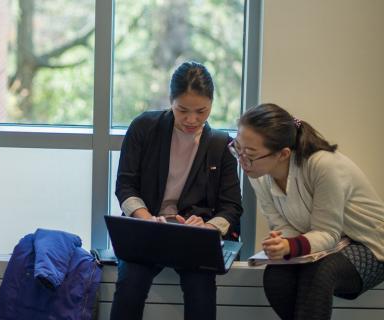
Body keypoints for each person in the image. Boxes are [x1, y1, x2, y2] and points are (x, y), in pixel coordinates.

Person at [110, 61, 243, 320]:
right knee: (130, 282)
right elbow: (125, 186)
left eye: (201, 111)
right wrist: (148, 220)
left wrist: (209, 227)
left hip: (194, 238)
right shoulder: (144, 128)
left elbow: (232, 206)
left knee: (200, 285)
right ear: (171, 101)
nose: (192, 120)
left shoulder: (220, 144)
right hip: (147, 229)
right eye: (182, 110)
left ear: (212, 104)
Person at [230, 103, 384, 320]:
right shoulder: (259, 172)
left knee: (320, 273)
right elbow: (283, 224)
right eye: (237, 148)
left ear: (283, 154)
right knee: (276, 277)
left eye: (251, 154)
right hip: (327, 244)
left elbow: (328, 232)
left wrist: (290, 246)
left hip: (370, 243)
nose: (242, 160)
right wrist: (280, 242)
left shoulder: (322, 165)